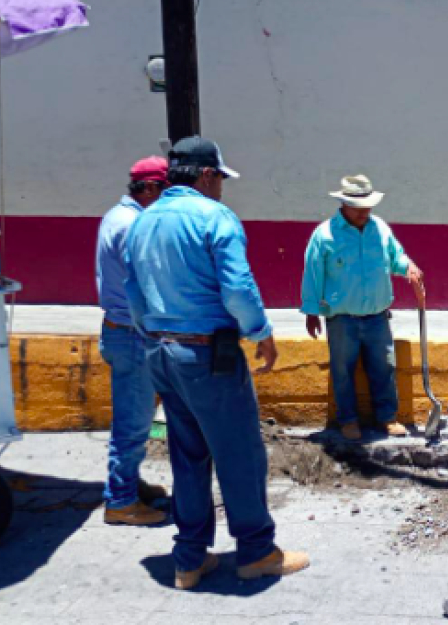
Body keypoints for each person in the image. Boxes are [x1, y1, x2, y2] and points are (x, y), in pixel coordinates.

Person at [124, 136, 309, 590]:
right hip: (207, 353)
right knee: (239, 453)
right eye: (220, 178)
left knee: (188, 455)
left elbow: (133, 292)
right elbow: (238, 287)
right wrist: (261, 333)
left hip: (160, 350)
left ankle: (188, 559)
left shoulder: (143, 221)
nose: (223, 186)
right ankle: (256, 552)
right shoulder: (214, 217)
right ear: (206, 175)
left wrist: (153, 333)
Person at [300, 175, 423, 442]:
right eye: (358, 207)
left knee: (384, 367)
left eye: (367, 207)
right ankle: (348, 420)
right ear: (344, 204)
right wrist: (311, 312)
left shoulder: (380, 229)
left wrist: (408, 267)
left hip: (377, 316)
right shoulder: (324, 235)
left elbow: (396, 257)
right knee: (343, 371)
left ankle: (387, 417)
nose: (364, 212)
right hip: (341, 318)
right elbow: (313, 274)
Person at [96, 156, 169, 527]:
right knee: (133, 424)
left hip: (122, 331)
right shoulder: (133, 225)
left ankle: (128, 485)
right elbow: (146, 283)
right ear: (151, 188)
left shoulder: (118, 215)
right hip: (132, 334)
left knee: (133, 418)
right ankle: (121, 501)